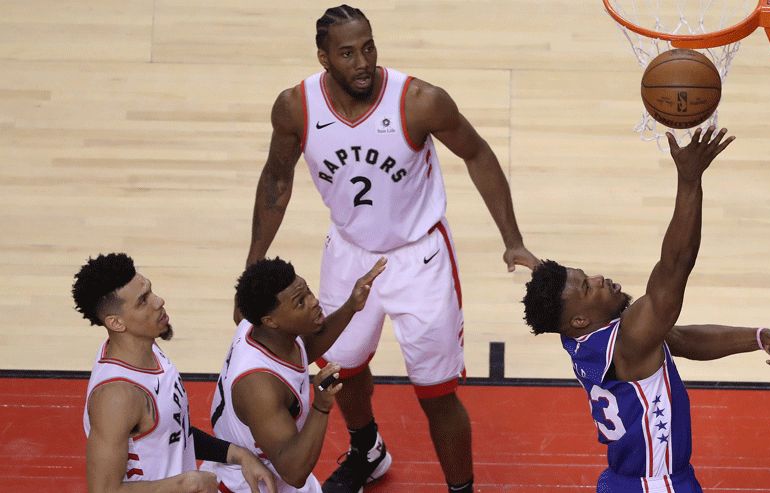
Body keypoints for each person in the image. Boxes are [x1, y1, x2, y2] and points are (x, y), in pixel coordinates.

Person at [241, 5, 539, 493]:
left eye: (369, 47)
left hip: (419, 258)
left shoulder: (419, 101)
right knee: (341, 368)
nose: (363, 62)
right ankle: (368, 451)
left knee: (436, 393)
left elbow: (478, 152)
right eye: (347, 53)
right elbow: (276, 176)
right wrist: (254, 260)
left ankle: (462, 489)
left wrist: (513, 240)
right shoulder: (296, 107)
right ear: (323, 58)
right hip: (349, 250)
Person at [521, 128, 770, 491]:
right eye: (588, 286)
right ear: (578, 319)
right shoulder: (629, 340)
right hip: (657, 485)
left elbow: (679, 339)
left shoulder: (588, 340)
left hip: (619, 481)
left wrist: (757, 338)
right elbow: (676, 265)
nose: (600, 278)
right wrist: (689, 180)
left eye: (587, 274)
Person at [73, 253, 277, 493]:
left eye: (151, 291)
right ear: (116, 323)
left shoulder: (146, 348)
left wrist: (238, 455)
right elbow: (103, 490)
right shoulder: (117, 397)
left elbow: (173, 431)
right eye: (143, 301)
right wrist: (186, 484)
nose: (158, 301)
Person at [203, 257, 386, 493]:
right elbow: (295, 473)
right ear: (271, 321)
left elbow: (303, 349)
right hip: (252, 484)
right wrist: (320, 406)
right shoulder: (258, 387)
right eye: (300, 303)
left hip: (274, 467)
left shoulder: (262, 329)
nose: (314, 302)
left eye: (308, 291)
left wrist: (351, 306)